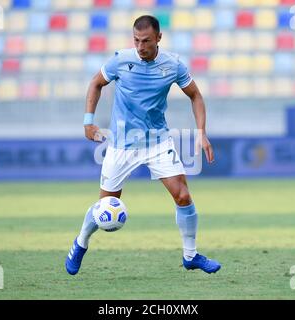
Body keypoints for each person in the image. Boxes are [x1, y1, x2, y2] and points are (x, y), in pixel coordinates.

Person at [65, 15, 221, 275]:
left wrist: (201, 132)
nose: (140, 46)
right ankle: (80, 243)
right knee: (105, 206)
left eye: (146, 41)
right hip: (121, 145)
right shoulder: (120, 60)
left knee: (183, 195)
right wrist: (88, 122)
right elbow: (95, 83)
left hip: (157, 142)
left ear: (159, 38)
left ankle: (191, 255)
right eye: (136, 40)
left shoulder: (173, 65)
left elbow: (195, 95)